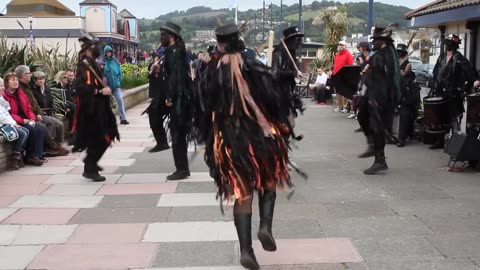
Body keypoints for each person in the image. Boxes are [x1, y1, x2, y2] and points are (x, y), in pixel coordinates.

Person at [197, 24, 293, 270]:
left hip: (230, 144)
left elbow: (203, 110)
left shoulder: (211, 73)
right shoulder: (252, 66)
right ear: (238, 41)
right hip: (260, 138)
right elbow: (274, 98)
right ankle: (265, 227)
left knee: (242, 194)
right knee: (269, 182)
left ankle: (246, 250)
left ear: (219, 45)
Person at [72, 33, 119, 182]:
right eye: (94, 46)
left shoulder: (91, 63)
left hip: (99, 108)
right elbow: (82, 89)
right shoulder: (85, 65)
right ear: (87, 50)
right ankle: (90, 167)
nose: (98, 48)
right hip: (91, 111)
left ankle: (90, 163)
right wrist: (100, 91)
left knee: (106, 136)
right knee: (99, 138)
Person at [358, 25, 400, 175]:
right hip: (375, 96)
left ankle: (380, 160)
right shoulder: (382, 53)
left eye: (375, 40)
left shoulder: (383, 56)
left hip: (380, 98)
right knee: (362, 115)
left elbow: (383, 80)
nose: (372, 43)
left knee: (377, 128)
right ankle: (372, 145)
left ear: (381, 41)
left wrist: (375, 99)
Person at [428, 34, 480, 149]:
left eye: (450, 44)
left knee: (454, 118)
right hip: (440, 92)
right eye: (447, 43)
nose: (448, 46)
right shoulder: (441, 57)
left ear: (455, 45)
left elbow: (470, 72)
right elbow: (436, 72)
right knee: (440, 117)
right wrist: (432, 83)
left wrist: (475, 81)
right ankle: (439, 141)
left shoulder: (459, 58)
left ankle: (455, 144)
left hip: (453, 93)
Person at [160, 22, 193, 180]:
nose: (161, 37)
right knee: (177, 132)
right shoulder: (172, 51)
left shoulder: (175, 52)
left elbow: (177, 78)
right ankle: (182, 167)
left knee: (178, 133)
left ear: (171, 36)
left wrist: (170, 97)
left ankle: (182, 169)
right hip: (180, 98)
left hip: (180, 99)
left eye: (163, 34)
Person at [14, 65, 69, 156]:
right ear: (23, 75)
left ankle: (56, 145)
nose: (30, 75)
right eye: (29, 73)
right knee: (46, 124)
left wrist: (37, 114)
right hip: (26, 117)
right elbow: (26, 107)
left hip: (34, 114)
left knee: (58, 123)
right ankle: (49, 148)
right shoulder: (23, 88)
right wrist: (34, 116)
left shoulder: (27, 87)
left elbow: (32, 104)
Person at [2, 73, 45, 166]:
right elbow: (8, 113)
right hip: (16, 121)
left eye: (17, 80)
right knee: (32, 130)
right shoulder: (5, 96)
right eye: (13, 80)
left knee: (40, 128)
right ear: (6, 83)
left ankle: (38, 155)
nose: (16, 82)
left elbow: (29, 108)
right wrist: (22, 120)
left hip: (26, 119)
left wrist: (32, 118)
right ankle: (29, 156)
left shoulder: (21, 93)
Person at [0, 77, 30, 169]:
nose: (2, 88)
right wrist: (13, 124)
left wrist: (13, 123)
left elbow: (7, 114)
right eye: (0, 86)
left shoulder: (1, 98)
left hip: (7, 123)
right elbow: (1, 117)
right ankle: (16, 156)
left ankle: (19, 154)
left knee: (26, 130)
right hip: (2, 125)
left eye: (2, 86)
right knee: (22, 133)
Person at [144, 50, 170, 153]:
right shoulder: (154, 70)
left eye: (158, 59)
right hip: (158, 98)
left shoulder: (166, 69)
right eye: (155, 58)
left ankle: (163, 143)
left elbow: (170, 82)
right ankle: (162, 142)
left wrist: (169, 97)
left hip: (168, 98)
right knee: (154, 118)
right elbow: (150, 78)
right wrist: (153, 70)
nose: (156, 61)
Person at [396, 44, 421, 147]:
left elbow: (403, 74)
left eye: (400, 52)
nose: (398, 53)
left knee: (405, 114)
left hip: (407, 92)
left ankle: (402, 138)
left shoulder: (408, 64)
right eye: (397, 52)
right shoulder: (395, 62)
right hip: (397, 90)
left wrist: (399, 71)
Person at [32, 71, 65, 144]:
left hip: (48, 112)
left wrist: (51, 113)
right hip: (40, 113)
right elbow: (35, 105)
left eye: (42, 78)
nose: (41, 80)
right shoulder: (33, 91)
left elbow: (51, 103)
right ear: (35, 80)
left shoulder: (47, 89)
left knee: (60, 124)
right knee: (50, 123)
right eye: (39, 79)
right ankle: (49, 145)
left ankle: (58, 143)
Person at [103, 45, 129, 125]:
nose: (109, 53)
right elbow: (101, 73)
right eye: (107, 52)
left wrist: (119, 80)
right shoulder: (102, 62)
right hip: (106, 86)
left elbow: (120, 72)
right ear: (105, 52)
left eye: (110, 51)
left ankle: (123, 118)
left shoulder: (115, 62)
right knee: (107, 104)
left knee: (120, 100)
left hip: (116, 86)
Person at [333, 40, 354, 113]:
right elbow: (335, 65)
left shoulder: (348, 55)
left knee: (345, 92)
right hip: (337, 75)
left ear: (345, 46)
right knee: (338, 92)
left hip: (344, 75)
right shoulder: (337, 54)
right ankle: (339, 106)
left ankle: (345, 107)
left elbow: (350, 65)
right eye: (339, 45)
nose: (339, 46)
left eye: (341, 45)